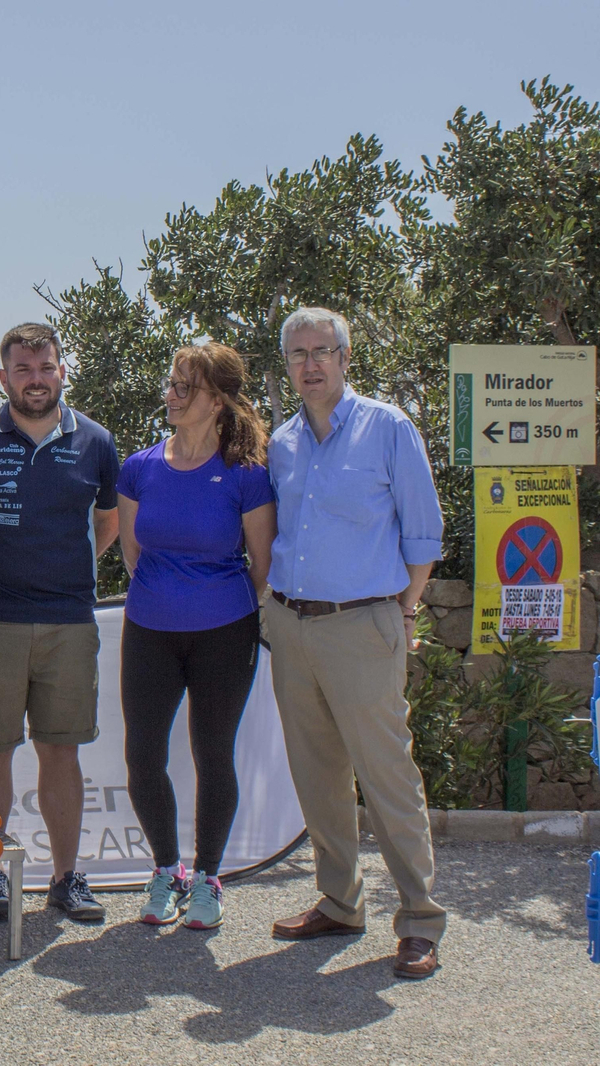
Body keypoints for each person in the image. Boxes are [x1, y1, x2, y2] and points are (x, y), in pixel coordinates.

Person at [263, 307, 446, 978]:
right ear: (285, 365)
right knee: (318, 777)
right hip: (291, 623)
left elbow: (423, 533)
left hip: (365, 622)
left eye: (322, 351)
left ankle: (421, 919)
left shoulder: (388, 428)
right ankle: (340, 901)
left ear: (345, 357)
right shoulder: (280, 442)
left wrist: (404, 611)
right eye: (297, 353)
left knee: (386, 773)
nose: (310, 363)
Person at [0, 323, 119, 922]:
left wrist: (68, 570)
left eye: (45, 367)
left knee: (62, 754)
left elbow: (109, 523)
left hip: (68, 625)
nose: (35, 379)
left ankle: (66, 878)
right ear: (3, 378)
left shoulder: (97, 442)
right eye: (22, 370)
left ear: (61, 371)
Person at [116, 344, 276, 929]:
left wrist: (211, 598)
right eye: (173, 384)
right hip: (150, 629)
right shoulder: (139, 468)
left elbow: (261, 564)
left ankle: (208, 876)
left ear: (217, 401)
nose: (172, 395)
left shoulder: (246, 475)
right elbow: (134, 554)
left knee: (213, 754)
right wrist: (170, 593)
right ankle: (167, 869)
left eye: (186, 387)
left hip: (225, 633)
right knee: (143, 756)